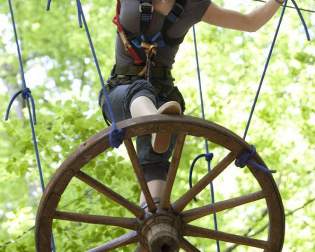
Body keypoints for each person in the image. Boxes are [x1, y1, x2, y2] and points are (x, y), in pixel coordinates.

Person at [100, 0, 284, 209]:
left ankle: (152, 213)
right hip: (121, 90)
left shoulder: (193, 5)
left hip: (164, 96)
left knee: (156, 162)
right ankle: (157, 124)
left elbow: (250, 22)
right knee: (140, 94)